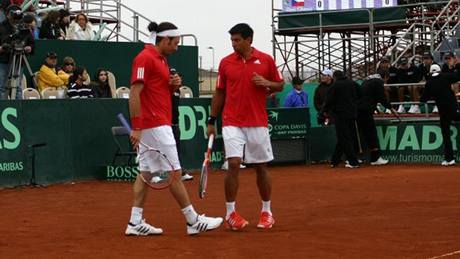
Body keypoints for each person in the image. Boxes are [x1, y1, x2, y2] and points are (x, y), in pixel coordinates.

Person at [126, 21, 223, 236]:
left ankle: (134, 222)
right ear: (165, 39)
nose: (177, 47)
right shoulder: (145, 58)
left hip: (158, 123)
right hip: (154, 126)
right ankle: (192, 221)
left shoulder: (161, 60)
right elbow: (134, 93)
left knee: (146, 174)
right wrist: (137, 126)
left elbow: (157, 91)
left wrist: (173, 86)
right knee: (174, 173)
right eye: (175, 43)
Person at [207, 23, 284, 230]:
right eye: (232, 40)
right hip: (232, 121)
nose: (234, 44)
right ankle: (230, 213)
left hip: (257, 122)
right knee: (233, 164)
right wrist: (211, 120)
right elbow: (220, 93)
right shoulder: (225, 63)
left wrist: (265, 82)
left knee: (261, 167)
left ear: (249, 39)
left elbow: (279, 85)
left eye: (237, 40)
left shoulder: (266, 59)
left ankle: (266, 211)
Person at [420, 64, 460, 166]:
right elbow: (458, 76)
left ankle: (449, 159)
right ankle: (449, 159)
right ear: (440, 70)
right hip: (453, 107)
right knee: (456, 117)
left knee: (446, 135)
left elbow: (423, 99)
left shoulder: (429, 83)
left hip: (443, 111)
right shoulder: (445, 76)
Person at [356, 70, 397, 165]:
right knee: (371, 133)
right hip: (365, 111)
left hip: (359, 110)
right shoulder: (378, 82)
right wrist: (391, 108)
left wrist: (378, 110)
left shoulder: (367, 81)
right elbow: (381, 97)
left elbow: (369, 96)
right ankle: (375, 159)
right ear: (386, 77)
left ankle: (358, 157)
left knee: (362, 134)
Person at [321, 70, 359, 168]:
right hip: (352, 114)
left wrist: (323, 112)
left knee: (343, 138)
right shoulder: (352, 83)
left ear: (334, 77)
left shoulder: (335, 86)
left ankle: (353, 162)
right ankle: (335, 161)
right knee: (345, 137)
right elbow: (360, 94)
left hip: (340, 115)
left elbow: (328, 101)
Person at [0, 4, 34, 99]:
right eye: (14, 13)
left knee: (18, 87)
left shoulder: (24, 27)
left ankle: (18, 109)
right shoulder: (1, 27)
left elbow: (31, 42)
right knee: (2, 86)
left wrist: (29, 47)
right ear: (7, 15)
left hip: (19, 60)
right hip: (4, 60)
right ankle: (2, 108)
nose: (16, 16)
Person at [169, 68, 193, 181]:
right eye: (173, 76)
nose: (177, 78)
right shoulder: (165, 90)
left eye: (178, 76)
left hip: (175, 124)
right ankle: (160, 174)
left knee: (176, 149)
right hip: (166, 125)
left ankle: (180, 172)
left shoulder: (178, 91)